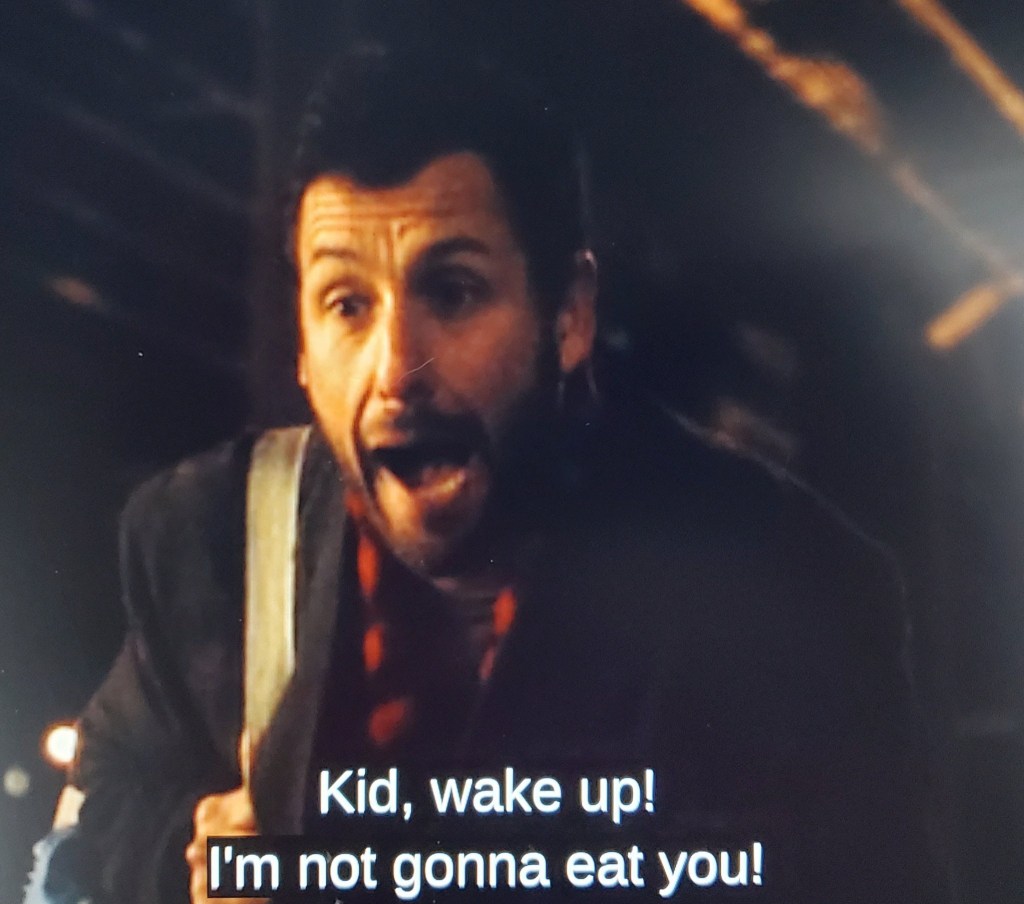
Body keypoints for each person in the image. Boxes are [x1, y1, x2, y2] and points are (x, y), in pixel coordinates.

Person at [65, 43, 943, 904]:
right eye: (347, 304)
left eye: (452, 293)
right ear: (301, 341)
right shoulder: (214, 536)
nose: (395, 369)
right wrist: (192, 858)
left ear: (570, 316)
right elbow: (102, 801)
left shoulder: (791, 583)